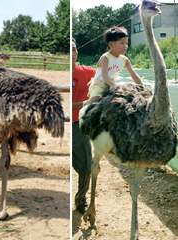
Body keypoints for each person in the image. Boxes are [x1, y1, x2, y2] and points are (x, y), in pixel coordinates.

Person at [85, 26, 143, 106]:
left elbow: (134, 74)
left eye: (126, 43)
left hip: (112, 84)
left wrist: (142, 86)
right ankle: (86, 104)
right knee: (95, 100)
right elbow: (105, 75)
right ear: (111, 44)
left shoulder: (124, 60)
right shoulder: (106, 57)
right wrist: (112, 85)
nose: (125, 46)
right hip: (100, 84)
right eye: (122, 43)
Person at [71, 38, 96, 213]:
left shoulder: (87, 72)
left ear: (77, 52)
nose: (71, 52)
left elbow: (105, 76)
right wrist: (85, 103)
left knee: (86, 167)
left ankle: (81, 199)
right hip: (63, 124)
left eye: (73, 48)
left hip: (79, 125)